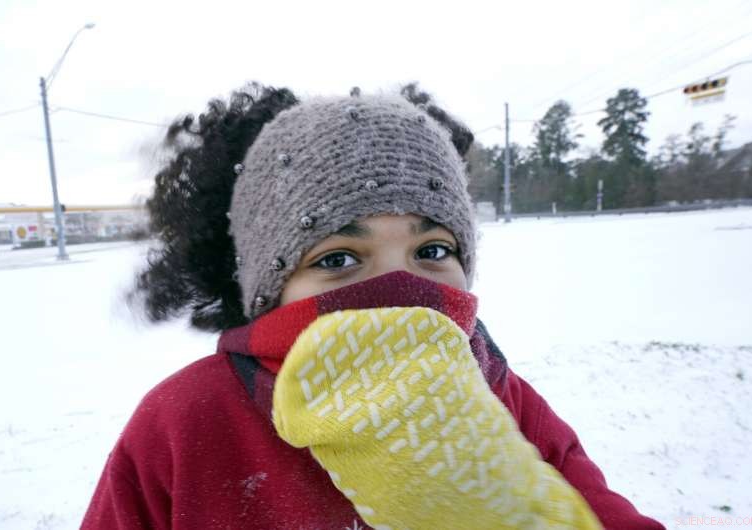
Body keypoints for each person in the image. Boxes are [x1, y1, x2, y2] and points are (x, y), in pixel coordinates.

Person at [81, 83, 664, 529]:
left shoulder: (499, 393)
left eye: (431, 250)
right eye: (338, 258)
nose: (397, 288)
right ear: (269, 286)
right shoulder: (186, 422)